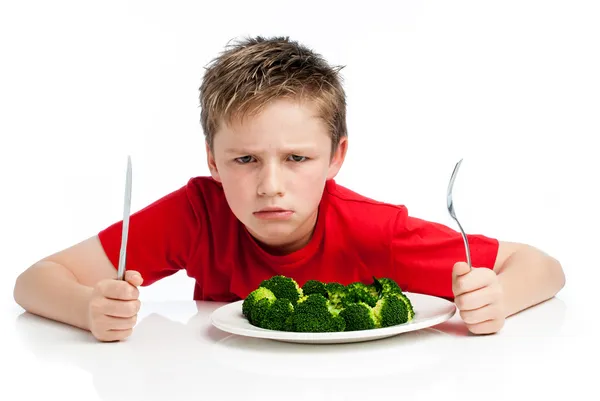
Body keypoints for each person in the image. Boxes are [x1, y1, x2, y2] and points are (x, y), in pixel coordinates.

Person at [13, 36, 565, 342]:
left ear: (336, 158)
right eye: (245, 159)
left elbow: (540, 265)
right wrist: (88, 308)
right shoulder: (196, 214)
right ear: (213, 161)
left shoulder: (375, 231)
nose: (270, 186)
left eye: (297, 158)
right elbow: (34, 281)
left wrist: (499, 298)